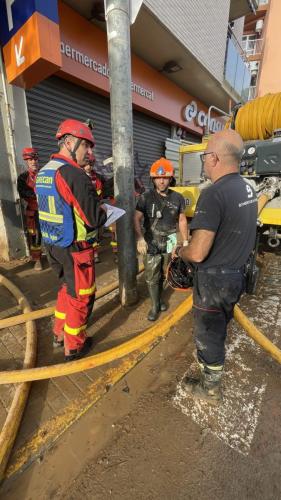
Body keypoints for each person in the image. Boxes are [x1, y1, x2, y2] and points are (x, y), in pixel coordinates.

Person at [173, 129, 257, 404]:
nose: (204, 160)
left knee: (208, 336)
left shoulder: (213, 195)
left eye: (205, 155)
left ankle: (210, 388)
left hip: (214, 284)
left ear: (216, 158)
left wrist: (179, 251)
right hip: (237, 276)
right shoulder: (247, 188)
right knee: (219, 328)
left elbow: (197, 253)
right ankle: (211, 374)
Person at [36, 119, 107, 362]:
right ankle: (74, 346)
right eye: (86, 146)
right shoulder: (73, 174)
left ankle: (59, 334)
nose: (90, 153)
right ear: (69, 142)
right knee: (81, 296)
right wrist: (106, 210)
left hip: (53, 245)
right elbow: (94, 218)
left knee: (66, 290)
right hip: (75, 249)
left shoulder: (46, 170)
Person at [134, 157, 188, 321]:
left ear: (170, 178)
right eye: (158, 178)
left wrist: (185, 241)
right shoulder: (145, 197)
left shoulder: (177, 198)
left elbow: (182, 220)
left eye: (165, 177)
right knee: (151, 276)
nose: (162, 181)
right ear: (153, 179)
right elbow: (135, 218)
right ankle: (155, 305)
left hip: (170, 239)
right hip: (151, 239)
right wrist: (139, 238)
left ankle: (159, 298)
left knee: (166, 271)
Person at [17, 148, 43, 271]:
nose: (33, 162)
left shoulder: (45, 174)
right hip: (34, 211)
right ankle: (37, 259)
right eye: (30, 159)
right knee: (35, 236)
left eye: (35, 159)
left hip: (48, 210)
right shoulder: (23, 178)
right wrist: (38, 195)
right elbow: (23, 192)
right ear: (26, 161)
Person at [84, 152, 104, 264]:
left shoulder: (98, 178)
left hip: (96, 209)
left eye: (91, 164)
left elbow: (105, 189)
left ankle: (95, 253)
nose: (89, 166)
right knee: (85, 234)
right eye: (87, 163)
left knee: (95, 233)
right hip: (84, 209)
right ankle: (87, 254)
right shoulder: (79, 176)